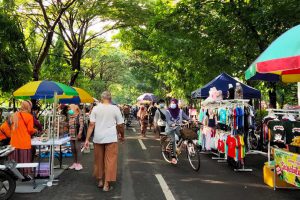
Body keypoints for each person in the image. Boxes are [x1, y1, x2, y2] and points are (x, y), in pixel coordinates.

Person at [84, 91, 124, 192]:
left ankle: (100, 181)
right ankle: (106, 185)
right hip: (111, 138)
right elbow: (120, 125)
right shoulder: (115, 109)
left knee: (98, 160)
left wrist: (87, 139)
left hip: (98, 138)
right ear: (110, 98)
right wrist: (122, 135)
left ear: (101, 99)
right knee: (110, 161)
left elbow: (91, 125)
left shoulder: (96, 109)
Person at [9, 100, 37, 181]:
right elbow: (30, 130)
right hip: (24, 142)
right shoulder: (29, 116)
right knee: (24, 161)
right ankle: (25, 176)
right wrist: (35, 130)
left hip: (14, 142)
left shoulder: (14, 115)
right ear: (29, 107)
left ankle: (14, 175)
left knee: (15, 160)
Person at [165, 99, 189, 164]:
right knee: (172, 140)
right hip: (170, 129)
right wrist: (171, 123)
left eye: (174, 103)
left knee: (184, 136)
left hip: (177, 127)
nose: (173, 104)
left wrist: (192, 120)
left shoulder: (180, 111)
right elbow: (168, 120)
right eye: (171, 102)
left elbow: (186, 117)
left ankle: (177, 148)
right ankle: (173, 157)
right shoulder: (167, 111)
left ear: (176, 104)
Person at [68, 104, 84, 171]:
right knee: (73, 149)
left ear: (74, 109)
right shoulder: (70, 117)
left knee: (78, 149)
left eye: (70, 109)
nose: (69, 110)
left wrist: (79, 134)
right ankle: (74, 163)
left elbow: (81, 126)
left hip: (77, 135)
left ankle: (79, 164)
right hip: (71, 135)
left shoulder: (79, 116)